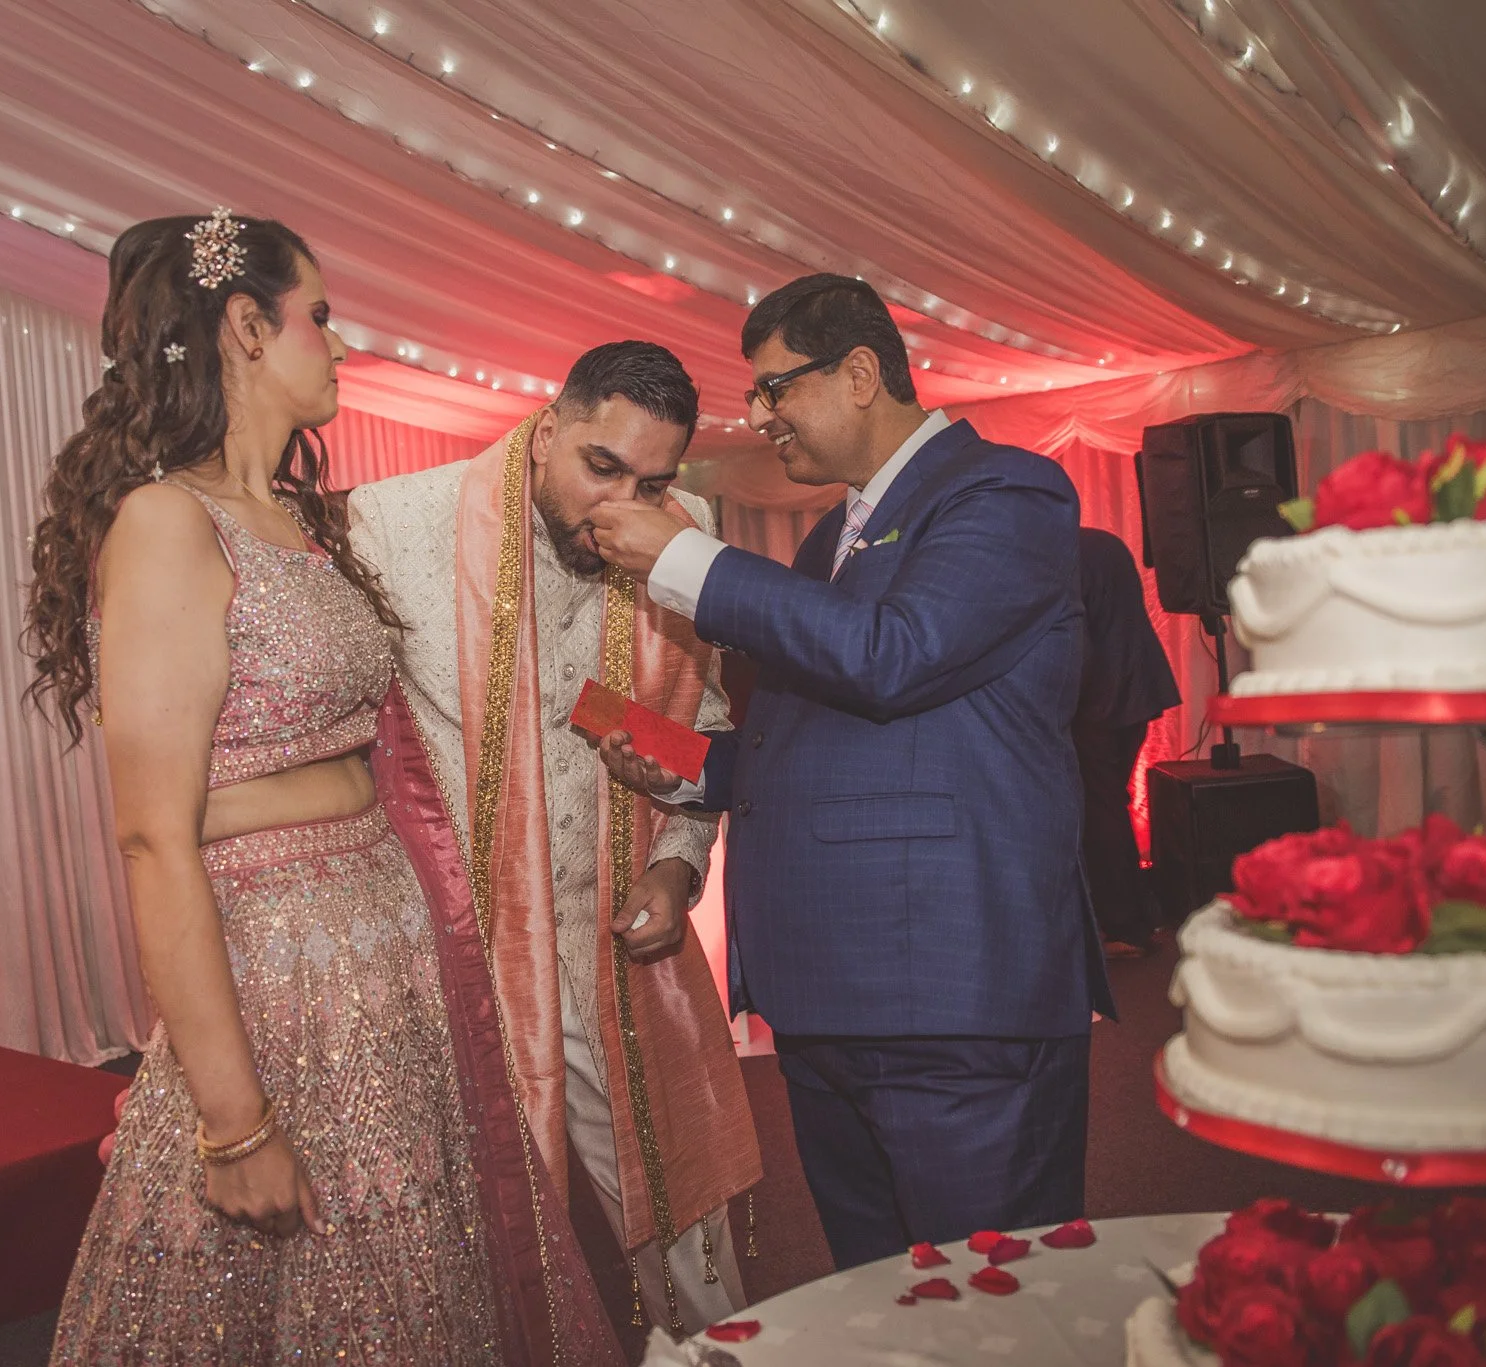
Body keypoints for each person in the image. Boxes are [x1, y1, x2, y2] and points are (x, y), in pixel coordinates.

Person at [25, 212, 618, 1362]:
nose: (342, 344)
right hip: (279, 968)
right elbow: (154, 837)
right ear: (247, 327)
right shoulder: (165, 523)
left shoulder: (297, 521)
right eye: (321, 315)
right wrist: (234, 1121)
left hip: (382, 957)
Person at [590, 273, 1112, 1271]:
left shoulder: (1005, 491)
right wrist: (675, 762)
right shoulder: (833, 532)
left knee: (999, 1298)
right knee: (881, 1298)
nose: (759, 415)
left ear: (861, 372)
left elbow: (893, 655)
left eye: (774, 387)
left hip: (952, 994)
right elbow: (807, 737)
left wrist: (691, 560)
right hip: (825, 996)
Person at [343, 340, 761, 1336]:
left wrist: (677, 862)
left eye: (650, 482)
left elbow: (696, 730)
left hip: (608, 938)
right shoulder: (393, 522)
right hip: (454, 958)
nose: (621, 507)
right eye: (600, 466)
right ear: (545, 432)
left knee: (680, 1216)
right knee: (461, 1239)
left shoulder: (682, 533)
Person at [1074, 526, 1180, 957]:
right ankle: (1134, 916)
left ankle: (1122, 925)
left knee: (1099, 809)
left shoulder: (1061, 554)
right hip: (1136, 689)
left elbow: (1077, 642)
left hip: (1099, 699)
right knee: (1110, 804)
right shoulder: (1104, 543)